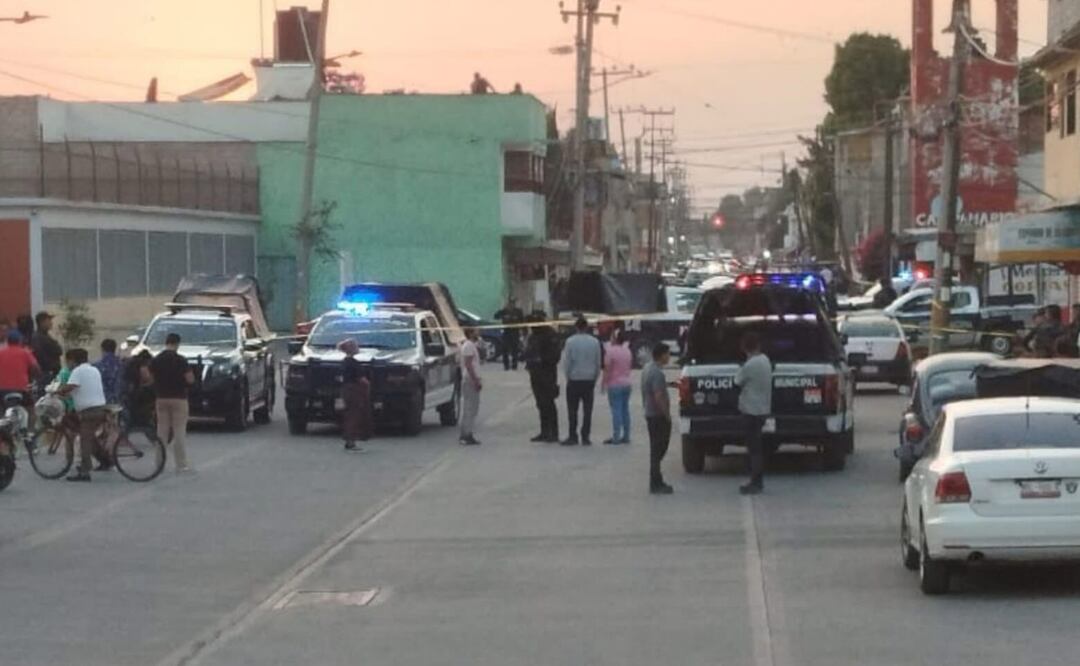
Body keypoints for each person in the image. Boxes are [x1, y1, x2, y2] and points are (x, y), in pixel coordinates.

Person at [57, 348, 109, 482]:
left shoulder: (77, 371)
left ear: (73, 360)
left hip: (88, 411)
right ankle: (106, 460)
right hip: (101, 408)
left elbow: (69, 386)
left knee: (84, 440)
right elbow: (82, 388)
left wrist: (58, 390)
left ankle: (84, 471)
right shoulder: (94, 370)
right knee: (90, 437)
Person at [150, 333, 195, 473]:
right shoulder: (181, 360)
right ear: (177, 344)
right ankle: (181, 464)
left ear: (166, 342)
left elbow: (149, 377)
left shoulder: (156, 360)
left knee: (161, 431)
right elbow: (190, 379)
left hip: (161, 398)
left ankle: (159, 463)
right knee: (179, 431)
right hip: (179, 398)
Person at [735, 332, 773, 496]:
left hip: (750, 411)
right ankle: (758, 480)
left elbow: (737, 381)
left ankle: (755, 482)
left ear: (745, 348)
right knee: (757, 447)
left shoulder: (749, 365)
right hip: (763, 409)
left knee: (753, 449)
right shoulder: (766, 361)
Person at [561, 317, 603, 446]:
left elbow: (567, 362)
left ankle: (573, 435)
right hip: (589, 379)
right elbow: (598, 362)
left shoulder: (570, 342)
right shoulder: (595, 342)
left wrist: (567, 376)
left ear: (576, 327)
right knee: (587, 410)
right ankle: (585, 436)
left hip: (574, 379)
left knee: (572, 410)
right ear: (586, 327)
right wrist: (595, 377)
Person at [524, 311, 561, 443]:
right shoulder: (533, 336)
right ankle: (544, 431)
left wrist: (541, 360)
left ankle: (554, 433)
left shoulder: (550, 335)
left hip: (547, 374)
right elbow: (528, 351)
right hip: (535, 373)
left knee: (549, 403)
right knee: (540, 403)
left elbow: (555, 356)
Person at [642, 343, 673, 495]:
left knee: (656, 449)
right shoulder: (657, 373)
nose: (669, 357)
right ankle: (655, 482)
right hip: (657, 415)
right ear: (662, 355)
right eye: (668, 354)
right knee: (659, 449)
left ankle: (657, 479)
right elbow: (658, 395)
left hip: (649, 413)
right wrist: (666, 414)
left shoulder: (648, 368)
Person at [339, 339, 372, 451]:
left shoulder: (344, 362)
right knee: (354, 415)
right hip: (354, 390)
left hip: (346, 390)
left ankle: (349, 439)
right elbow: (361, 379)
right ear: (352, 348)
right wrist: (368, 385)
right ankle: (351, 441)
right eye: (356, 346)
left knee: (349, 414)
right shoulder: (353, 363)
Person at [602, 328, 633, 445]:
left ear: (614, 338)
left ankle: (616, 436)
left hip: (614, 384)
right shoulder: (627, 351)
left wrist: (603, 383)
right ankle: (626, 435)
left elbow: (607, 368)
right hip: (627, 383)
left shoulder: (610, 351)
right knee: (625, 410)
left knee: (616, 410)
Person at [0, 330, 40, 405]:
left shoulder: (1, 353)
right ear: (20, 340)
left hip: (2, 389)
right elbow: (36, 368)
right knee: (30, 409)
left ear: (8, 341)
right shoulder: (25, 353)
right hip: (21, 388)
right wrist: (36, 376)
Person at [459, 328, 483, 445]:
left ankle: (467, 433)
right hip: (470, 379)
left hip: (473, 378)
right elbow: (468, 364)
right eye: (475, 331)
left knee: (473, 407)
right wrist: (475, 380)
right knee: (470, 407)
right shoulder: (468, 346)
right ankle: (466, 434)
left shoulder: (472, 345)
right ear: (470, 333)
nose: (478, 333)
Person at [123, 349, 155, 428]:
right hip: (139, 392)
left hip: (128, 391)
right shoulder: (143, 365)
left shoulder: (130, 363)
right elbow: (147, 378)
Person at [493, 298, 525, 371]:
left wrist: (523, 331)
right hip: (506, 333)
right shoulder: (504, 311)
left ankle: (514, 366)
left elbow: (523, 321)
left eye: (512, 303)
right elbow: (496, 316)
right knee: (505, 350)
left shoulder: (518, 312)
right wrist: (501, 310)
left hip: (515, 333)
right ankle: (506, 366)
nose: (511, 305)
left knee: (515, 350)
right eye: (509, 304)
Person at [31, 310, 62, 380]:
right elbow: (39, 354)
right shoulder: (37, 337)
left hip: (52, 372)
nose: (51, 323)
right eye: (49, 320)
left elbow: (59, 350)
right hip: (46, 373)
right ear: (42, 322)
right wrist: (50, 368)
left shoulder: (47, 336)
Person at [94, 338, 123, 405]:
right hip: (120, 400)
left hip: (103, 400)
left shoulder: (97, 366)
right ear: (114, 349)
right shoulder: (122, 364)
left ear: (102, 349)